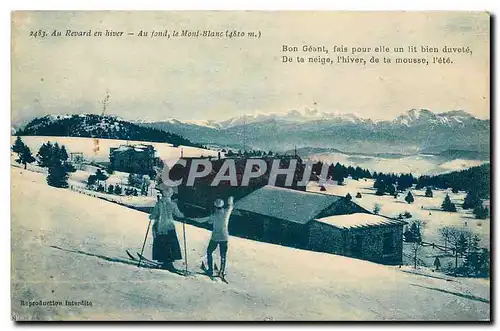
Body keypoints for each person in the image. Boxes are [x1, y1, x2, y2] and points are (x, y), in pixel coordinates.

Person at [194, 196, 234, 277]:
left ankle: (210, 270)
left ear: (215, 207)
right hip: (224, 237)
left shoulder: (213, 215)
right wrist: (230, 200)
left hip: (215, 237)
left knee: (209, 252)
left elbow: (206, 221)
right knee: (223, 255)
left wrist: (191, 218)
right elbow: (231, 206)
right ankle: (222, 271)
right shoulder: (226, 212)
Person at [149, 184, 184, 272]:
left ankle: (165, 261)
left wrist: (151, 216)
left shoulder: (158, 204)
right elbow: (178, 214)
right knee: (170, 244)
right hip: (170, 226)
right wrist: (184, 216)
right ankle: (169, 262)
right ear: (171, 195)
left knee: (161, 243)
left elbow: (153, 215)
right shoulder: (173, 204)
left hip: (160, 227)